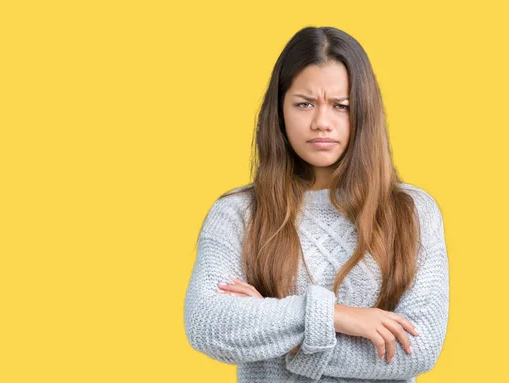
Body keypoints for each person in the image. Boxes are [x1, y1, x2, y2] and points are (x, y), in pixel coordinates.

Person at [183, 26, 449, 383]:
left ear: (364, 114)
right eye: (304, 104)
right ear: (279, 111)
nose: (322, 122)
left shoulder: (412, 213)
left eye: (341, 106)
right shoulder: (237, 214)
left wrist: (274, 328)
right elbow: (207, 324)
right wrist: (337, 316)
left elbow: (418, 347)